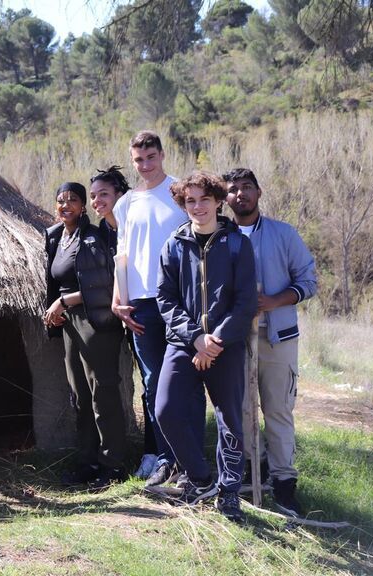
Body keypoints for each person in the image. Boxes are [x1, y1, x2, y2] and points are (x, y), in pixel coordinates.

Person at [155, 172, 257, 522]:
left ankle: (229, 494)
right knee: (165, 409)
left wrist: (216, 340)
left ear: (217, 201)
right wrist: (195, 337)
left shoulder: (237, 244)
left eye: (203, 199)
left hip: (225, 345)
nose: (197, 207)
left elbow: (245, 302)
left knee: (230, 418)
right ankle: (199, 479)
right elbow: (165, 299)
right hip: (183, 343)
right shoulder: (173, 243)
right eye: (190, 201)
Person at [109, 131, 203, 487]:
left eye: (151, 157)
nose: (145, 165)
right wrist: (120, 299)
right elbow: (123, 253)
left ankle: (193, 465)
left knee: (188, 383)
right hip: (142, 305)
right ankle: (166, 458)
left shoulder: (181, 194)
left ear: (162, 155)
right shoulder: (127, 203)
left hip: (180, 301)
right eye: (138, 160)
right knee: (153, 384)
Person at [224, 167, 317, 517]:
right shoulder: (221, 237)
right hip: (235, 340)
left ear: (259, 192)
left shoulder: (283, 234)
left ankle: (283, 485)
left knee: (278, 410)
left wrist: (274, 301)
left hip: (278, 338)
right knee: (241, 411)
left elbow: (308, 280)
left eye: (247, 187)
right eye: (233, 189)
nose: (240, 194)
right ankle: (252, 474)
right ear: (226, 198)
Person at [43, 183, 127, 488]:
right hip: (68, 322)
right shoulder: (56, 237)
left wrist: (64, 302)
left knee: (102, 391)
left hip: (95, 319)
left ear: (83, 207)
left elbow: (106, 284)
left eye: (73, 201)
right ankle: (88, 461)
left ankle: (113, 465)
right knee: (80, 395)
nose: (66, 206)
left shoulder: (92, 238)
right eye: (60, 201)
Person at [90, 166, 161, 477]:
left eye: (104, 194)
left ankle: (155, 451)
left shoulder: (137, 226)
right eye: (93, 196)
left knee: (153, 383)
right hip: (110, 320)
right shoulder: (98, 235)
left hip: (141, 313)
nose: (97, 201)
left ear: (121, 196)